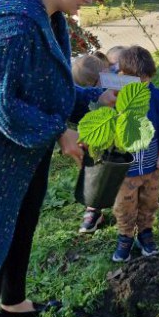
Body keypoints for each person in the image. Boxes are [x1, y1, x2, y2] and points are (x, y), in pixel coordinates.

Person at [0, 0, 116, 317]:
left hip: (25, 149)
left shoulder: (51, 15)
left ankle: (14, 302)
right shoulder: (14, 24)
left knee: (22, 224)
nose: (90, 0)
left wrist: (97, 98)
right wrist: (59, 131)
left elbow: (46, 89)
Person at [112, 46, 159, 262]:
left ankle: (145, 233)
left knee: (150, 201)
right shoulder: (116, 97)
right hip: (126, 169)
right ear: (123, 76)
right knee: (124, 204)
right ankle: (125, 237)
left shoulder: (156, 97)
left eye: (145, 78)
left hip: (151, 165)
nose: (141, 83)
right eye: (135, 79)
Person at [71, 54, 109, 234]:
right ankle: (94, 210)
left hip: (94, 150)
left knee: (93, 175)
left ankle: (92, 212)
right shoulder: (97, 97)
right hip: (102, 148)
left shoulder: (79, 100)